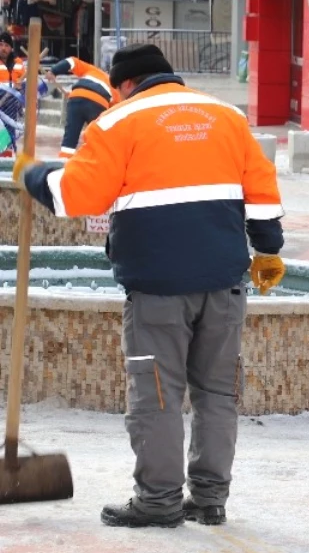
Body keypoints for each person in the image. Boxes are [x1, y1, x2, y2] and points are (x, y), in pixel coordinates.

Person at [15, 43, 285, 528]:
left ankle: (158, 501)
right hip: (225, 282)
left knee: (157, 395)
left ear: (123, 84)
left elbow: (77, 194)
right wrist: (268, 249)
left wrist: (33, 176)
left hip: (157, 287)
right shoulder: (226, 116)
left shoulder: (117, 123)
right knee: (216, 393)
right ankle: (209, 499)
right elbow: (262, 191)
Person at [45, 55, 116, 158]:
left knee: (70, 138)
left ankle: (63, 163)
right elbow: (114, 111)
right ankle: (95, 163)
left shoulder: (92, 70)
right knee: (98, 137)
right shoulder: (116, 87)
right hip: (98, 103)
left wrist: (54, 71)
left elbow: (71, 61)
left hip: (76, 96)